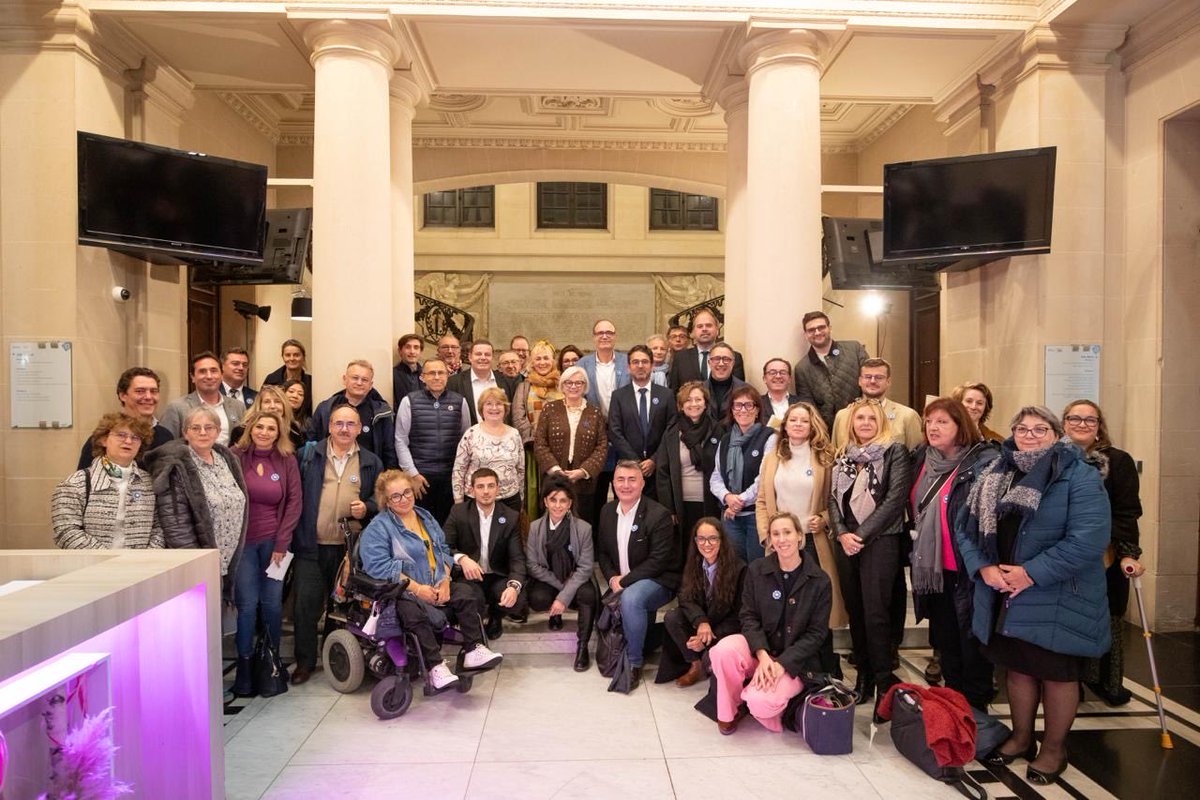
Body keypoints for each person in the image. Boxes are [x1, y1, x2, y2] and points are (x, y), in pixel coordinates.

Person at [958, 406, 1111, 785]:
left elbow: (1088, 540)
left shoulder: (1079, 475)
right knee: (1019, 667)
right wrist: (984, 568)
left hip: (1057, 591)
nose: (1029, 435)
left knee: (1057, 673)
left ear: (1056, 434)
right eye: (1021, 428)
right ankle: (1022, 737)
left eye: (1039, 429)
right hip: (1004, 589)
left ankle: (1054, 748)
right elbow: (966, 526)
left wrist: (1031, 574)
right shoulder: (996, 471)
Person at [359, 470, 503, 688]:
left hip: (436, 582)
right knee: (412, 613)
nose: (404, 499)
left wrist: (445, 580)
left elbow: (444, 550)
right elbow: (379, 566)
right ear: (386, 501)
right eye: (395, 496)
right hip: (402, 591)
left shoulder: (425, 517)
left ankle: (473, 650)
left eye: (407, 492)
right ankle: (435, 667)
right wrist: (417, 589)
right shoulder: (378, 528)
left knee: (467, 594)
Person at [908, 397, 999, 711]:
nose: (933, 428)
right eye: (930, 421)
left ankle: (976, 713)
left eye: (942, 422)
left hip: (968, 569)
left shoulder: (984, 461)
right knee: (947, 644)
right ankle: (954, 709)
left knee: (972, 645)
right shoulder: (923, 457)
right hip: (935, 570)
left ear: (961, 426)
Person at [708, 511, 831, 734]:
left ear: (799, 537)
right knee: (721, 651)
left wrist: (781, 664)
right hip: (761, 650)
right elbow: (748, 616)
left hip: (794, 662)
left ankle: (756, 700)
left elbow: (816, 634)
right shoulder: (756, 570)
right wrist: (762, 655)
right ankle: (730, 711)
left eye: (787, 532)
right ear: (770, 540)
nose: (782, 539)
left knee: (761, 703)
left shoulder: (820, 580)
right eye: (776, 534)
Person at [828, 398, 911, 717]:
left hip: (879, 541)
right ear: (851, 423)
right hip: (846, 540)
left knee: (876, 614)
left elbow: (894, 501)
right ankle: (862, 676)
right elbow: (833, 498)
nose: (865, 423)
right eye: (859, 418)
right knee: (857, 611)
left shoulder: (894, 452)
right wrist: (841, 533)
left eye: (871, 418)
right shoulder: (844, 455)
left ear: (881, 422)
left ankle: (883, 685)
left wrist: (860, 536)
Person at [290, 403, 382, 685]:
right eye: (339, 423)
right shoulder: (308, 455)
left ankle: (334, 657)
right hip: (310, 545)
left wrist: (366, 507)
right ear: (329, 426)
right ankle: (305, 662)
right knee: (306, 607)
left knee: (340, 609)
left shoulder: (370, 461)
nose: (344, 429)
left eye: (350, 424)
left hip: (348, 551)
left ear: (359, 429)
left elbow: (381, 500)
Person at [1063, 399, 1144, 706]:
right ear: (1064, 423)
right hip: (1063, 553)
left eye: (1090, 420)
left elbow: (1127, 512)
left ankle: (1105, 681)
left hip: (1104, 553)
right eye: (1075, 418)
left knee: (1106, 616)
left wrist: (1128, 553)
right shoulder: (1055, 458)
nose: (1082, 424)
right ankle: (1069, 681)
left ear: (1099, 427)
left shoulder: (1118, 461)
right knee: (1068, 618)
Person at [754, 401, 844, 675]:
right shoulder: (772, 458)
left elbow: (834, 500)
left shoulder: (825, 458)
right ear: (785, 425)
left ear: (812, 424)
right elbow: (761, 501)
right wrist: (766, 536)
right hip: (779, 543)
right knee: (780, 607)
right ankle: (784, 666)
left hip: (812, 542)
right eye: (793, 420)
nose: (798, 425)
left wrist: (825, 519)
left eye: (804, 421)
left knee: (816, 610)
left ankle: (825, 669)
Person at [229, 409, 302, 696]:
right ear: (251, 428)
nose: (264, 432)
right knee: (247, 606)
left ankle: (271, 664)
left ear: (278, 432)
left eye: (271, 428)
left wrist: (282, 544)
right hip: (244, 543)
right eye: (259, 427)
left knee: (272, 604)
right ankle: (245, 668)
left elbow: (295, 502)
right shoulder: (234, 457)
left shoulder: (287, 460)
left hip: (275, 544)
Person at [144, 406, 248, 605]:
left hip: (226, 559)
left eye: (209, 427)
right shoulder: (175, 466)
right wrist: (198, 564)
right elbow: (175, 524)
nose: (202, 432)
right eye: (195, 428)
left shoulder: (227, 460)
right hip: (196, 563)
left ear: (218, 431)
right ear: (185, 432)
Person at [596, 461, 679, 691]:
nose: (626, 485)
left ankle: (633, 663)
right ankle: (651, 638)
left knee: (631, 598)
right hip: (623, 580)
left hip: (660, 579)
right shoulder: (606, 512)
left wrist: (623, 582)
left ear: (642, 484)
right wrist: (612, 577)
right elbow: (602, 552)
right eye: (620, 479)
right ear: (613, 484)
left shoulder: (658, 515)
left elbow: (658, 561)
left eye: (632, 479)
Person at [54, 413, 163, 550]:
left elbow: (160, 527)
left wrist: (144, 558)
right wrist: (106, 560)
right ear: (104, 440)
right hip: (93, 567)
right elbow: (66, 531)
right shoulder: (75, 483)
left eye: (135, 437)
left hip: (141, 567)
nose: (128, 441)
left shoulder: (149, 483)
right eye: (121, 435)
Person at [443, 468, 527, 640]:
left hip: (498, 575)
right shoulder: (458, 513)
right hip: (469, 576)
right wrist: (462, 558)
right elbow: (443, 546)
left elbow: (517, 558)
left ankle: (496, 617)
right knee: (473, 601)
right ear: (471, 490)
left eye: (490, 486)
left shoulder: (510, 516)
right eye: (480, 486)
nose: (486, 491)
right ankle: (475, 626)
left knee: (517, 600)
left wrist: (514, 586)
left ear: (498, 488)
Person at [525, 478, 598, 671]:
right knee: (538, 598)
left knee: (588, 595)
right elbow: (532, 565)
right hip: (550, 578)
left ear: (570, 503)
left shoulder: (584, 528)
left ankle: (582, 646)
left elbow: (585, 568)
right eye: (553, 500)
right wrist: (563, 591)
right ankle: (554, 613)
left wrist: (565, 595)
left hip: (576, 577)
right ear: (546, 502)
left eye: (563, 500)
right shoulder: (535, 528)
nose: (558, 505)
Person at [664, 518, 747, 687]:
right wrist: (701, 621)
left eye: (712, 538)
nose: (706, 544)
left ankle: (706, 659)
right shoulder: (693, 562)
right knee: (673, 617)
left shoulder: (739, 569)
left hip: (726, 629)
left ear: (722, 540)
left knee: (712, 660)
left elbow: (739, 616)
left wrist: (707, 636)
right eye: (701, 538)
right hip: (703, 622)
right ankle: (695, 664)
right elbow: (685, 596)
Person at [394, 358, 471, 524]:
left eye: (441, 372)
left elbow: (466, 439)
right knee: (421, 525)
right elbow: (400, 440)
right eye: (431, 373)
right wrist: (412, 474)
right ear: (423, 377)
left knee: (448, 525)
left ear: (448, 375)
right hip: (420, 478)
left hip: (451, 476)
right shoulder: (409, 401)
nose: (437, 377)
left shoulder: (460, 401)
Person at [533, 366, 608, 525]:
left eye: (579, 383)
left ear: (585, 386)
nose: (573, 386)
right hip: (553, 479)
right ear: (562, 386)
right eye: (569, 383)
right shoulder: (550, 409)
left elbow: (601, 446)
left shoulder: (594, 413)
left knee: (582, 525)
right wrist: (555, 469)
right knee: (552, 524)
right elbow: (540, 442)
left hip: (583, 483)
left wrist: (583, 471)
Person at [710, 386, 775, 565]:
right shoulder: (725, 440)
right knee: (735, 568)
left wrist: (739, 501)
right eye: (737, 406)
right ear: (732, 410)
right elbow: (716, 477)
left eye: (748, 405)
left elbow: (764, 478)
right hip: (730, 518)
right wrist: (727, 497)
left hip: (756, 517)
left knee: (758, 568)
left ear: (757, 410)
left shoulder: (769, 437)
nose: (743, 410)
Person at [656, 381, 722, 559]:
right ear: (681, 405)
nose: (694, 404)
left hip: (710, 502)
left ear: (706, 403)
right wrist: (669, 508)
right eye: (688, 400)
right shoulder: (672, 433)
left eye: (698, 399)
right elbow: (662, 472)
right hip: (681, 504)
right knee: (686, 551)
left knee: (710, 549)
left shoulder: (717, 430)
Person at [577, 319, 631, 526]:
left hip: (623, 435)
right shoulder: (583, 365)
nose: (605, 336)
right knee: (595, 494)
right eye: (600, 333)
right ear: (594, 337)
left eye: (609, 332)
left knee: (624, 490)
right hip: (594, 438)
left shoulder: (627, 363)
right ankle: (597, 540)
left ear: (615, 336)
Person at [607, 345, 676, 503]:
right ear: (628, 367)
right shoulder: (618, 396)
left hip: (659, 469)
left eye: (644, 362)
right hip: (628, 469)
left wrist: (654, 460)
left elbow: (671, 429)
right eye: (635, 362)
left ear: (652, 365)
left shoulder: (666, 395)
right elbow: (614, 431)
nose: (640, 366)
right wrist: (635, 462)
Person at [76, 367, 173, 470]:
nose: (149, 397)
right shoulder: (106, 437)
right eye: (140, 391)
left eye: (154, 391)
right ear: (123, 395)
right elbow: (84, 481)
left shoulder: (166, 436)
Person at [308, 359, 398, 469]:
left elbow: (389, 450)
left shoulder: (381, 412)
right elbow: (312, 442)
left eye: (364, 380)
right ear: (345, 379)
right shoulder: (325, 409)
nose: (359, 383)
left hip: (369, 473)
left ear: (371, 385)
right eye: (355, 378)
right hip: (330, 472)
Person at [792, 311, 869, 433]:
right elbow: (809, 407)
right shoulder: (802, 368)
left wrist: (862, 406)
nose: (817, 332)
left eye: (821, 327)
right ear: (805, 334)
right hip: (829, 433)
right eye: (811, 330)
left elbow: (869, 382)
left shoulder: (854, 349)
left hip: (863, 425)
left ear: (830, 328)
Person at [451, 388, 525, 513]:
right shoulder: (471, 434)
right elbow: (459, 470)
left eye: (498, 404)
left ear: (505, 408)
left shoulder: (515, 434)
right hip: (476, 500)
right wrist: (458, 503)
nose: (494, 408)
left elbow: (520, 469)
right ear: (481, 409)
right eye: (489, 404)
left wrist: (521, 498)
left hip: (510, 500)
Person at [512, 340, 563, 520]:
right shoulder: (524, 386)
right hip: (532, 449)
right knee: (534, 493)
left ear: (553, 360)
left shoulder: (562, 385)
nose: (542, 362)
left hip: (558, 451)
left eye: (546, 358)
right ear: (532, 362)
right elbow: (519, 416)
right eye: (538, 358)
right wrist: (535, 440)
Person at [830, 358, 923, 450]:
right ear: (860, 381)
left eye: (879, 377)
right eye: (868, 377)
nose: (873, 381)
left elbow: (918, 458)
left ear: (888, 381)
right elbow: (834, 455)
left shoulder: (907, 416)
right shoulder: (843, 416)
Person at [160, 351, 246, 446]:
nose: (209, 376)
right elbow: (166, 448)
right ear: (192, 377)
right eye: (202, 371)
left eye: (213, 371)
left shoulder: (237, 406)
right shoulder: (177, 408)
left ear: (221, 375)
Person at [667, 307, 745, 389]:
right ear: (693, 332)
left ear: (717, 330)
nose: (704, 329)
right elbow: (674, 392)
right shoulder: (680, 358)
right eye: (700, 326)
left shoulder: (734, 357)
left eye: (709, 325)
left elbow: (738, 392)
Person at [448, 339, 519, 426]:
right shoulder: (454, 383)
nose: (483, 357)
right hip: (468, 437)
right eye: (478, 354)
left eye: (487, 354)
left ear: (492, 357)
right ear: (470, 357)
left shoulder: (507, 382)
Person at [231, 385, 304, 451]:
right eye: (267, 402)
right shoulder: (241, 432)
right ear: (259, 406)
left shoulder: (293, 431)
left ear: (284, 406)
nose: (273, 406)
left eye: (277, 402)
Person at [261, 339, 313, 419]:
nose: (292, 359)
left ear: (303, 357)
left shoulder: (311, 382)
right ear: (283, 357)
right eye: (288, 355)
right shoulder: (271, 379)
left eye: (296, 355)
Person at [702, 343, 748, 420]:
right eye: (716, 359)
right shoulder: (700, 390)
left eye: (726, 359)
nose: (721, 363)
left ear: (733, 363)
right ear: (709, 363)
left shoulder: (746, 390)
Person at [760, 358, 799, 428]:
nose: (778, 376)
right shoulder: (756, 404)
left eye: (783, 372)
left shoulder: (802, 403)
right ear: (764, 379)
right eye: (772, 372)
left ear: (789, 379)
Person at [392, 333, 424, 407]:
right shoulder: (392, 375)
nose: (412, 351)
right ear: (400, 351)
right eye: (408, 347)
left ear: (421, 352)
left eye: (416, 347)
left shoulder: (427, 375)